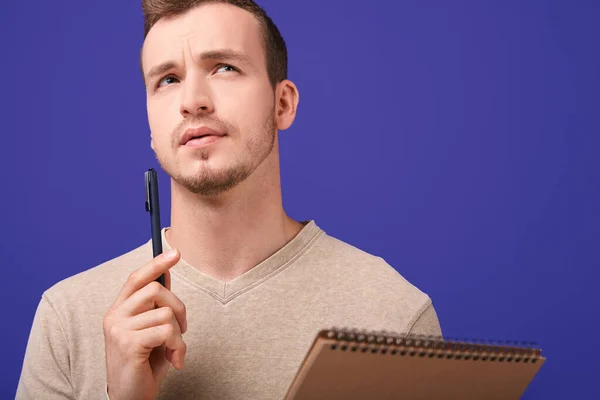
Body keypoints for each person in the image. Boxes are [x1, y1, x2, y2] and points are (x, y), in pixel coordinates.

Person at [16, 0, 442, 399]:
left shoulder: (392, 314)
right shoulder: (67, 318)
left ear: (283, 103)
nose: (191, 101)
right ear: (150, 123)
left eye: (223, 67)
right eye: (167, 80)